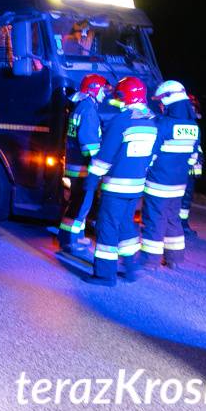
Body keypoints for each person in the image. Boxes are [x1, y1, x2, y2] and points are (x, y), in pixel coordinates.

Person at [74, 76, 158, 286]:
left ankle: (104, 275)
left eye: (119, 97)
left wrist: (91, 181)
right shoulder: (151, 122)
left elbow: (104, 157)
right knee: (126, 225)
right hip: (136, 187)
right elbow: (152, 156)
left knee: (107, 227)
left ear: (125, 96)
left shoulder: (121, 121)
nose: (116, 101)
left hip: (116, 187)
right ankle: (131, 268)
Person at [140, 81, 201, 270]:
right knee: (173, 219)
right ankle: (175, 259)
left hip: (158, 182)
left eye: (161, 101)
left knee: (154, 220)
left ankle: (150, 261)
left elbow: (150, 155)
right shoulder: (194, 126)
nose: (160, 106)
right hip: (179, 184)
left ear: (169, 99)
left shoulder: (163, 124)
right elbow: (193, 158)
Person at [58, 74, 109, 254]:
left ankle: (74, 237)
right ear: (94, 90)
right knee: (80, 205)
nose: (104, 94)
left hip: (76, 166)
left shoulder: (82, 107)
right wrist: (99, 165)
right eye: (102, 90)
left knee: (77, 203)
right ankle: (70, 242)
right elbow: (89, 144)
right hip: (83, 168)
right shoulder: (88, 110)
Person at [179, 94, 203, 237]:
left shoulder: (193, 125)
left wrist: (197, 167)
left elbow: (196, 148)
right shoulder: (185, 125)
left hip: (190, 169)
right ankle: (179, 224)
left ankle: (182, 223)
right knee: (179, 197)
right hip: (182, 168)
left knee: (186, 198)